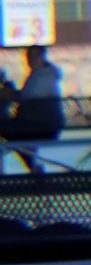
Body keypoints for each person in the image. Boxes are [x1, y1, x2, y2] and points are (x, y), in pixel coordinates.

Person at [0, 45, 65, 175]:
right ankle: (33, 167)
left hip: (39, 127)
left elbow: (25, 98)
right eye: (28, 56)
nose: (29, 60)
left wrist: (8, 93)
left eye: (32, 56)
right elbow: (25, 97)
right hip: (39, 125)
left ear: (42, 56)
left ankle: (32, 167)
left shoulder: (43, 77)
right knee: (13, 136)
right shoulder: (43, 75)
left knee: (8, 130)